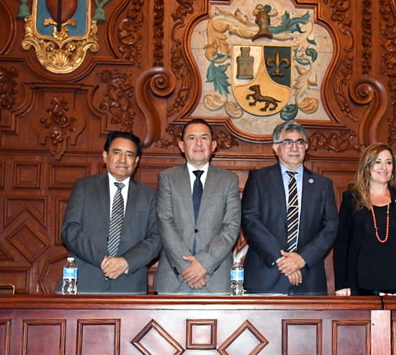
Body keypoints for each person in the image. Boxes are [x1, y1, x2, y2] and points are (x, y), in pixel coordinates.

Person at [242, 120, 338, 295]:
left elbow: (330, 227)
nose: (294, 147)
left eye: (300, 142)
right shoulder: (258, 179)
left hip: (309, 279)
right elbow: (250, 220)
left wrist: (301, 259)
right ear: (275, 147)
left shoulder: (323, 185)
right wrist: (282, 260)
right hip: (266, 276)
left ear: (306, 146)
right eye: (287, 142)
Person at [60, 131, 161, 294]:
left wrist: (125, 262)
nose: (122, 159)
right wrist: (103, 260)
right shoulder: (84, 187)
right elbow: (70, 230)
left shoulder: (149, 195)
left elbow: (155, 239)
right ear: (105, 156)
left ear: (136, 161)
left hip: (129, 285)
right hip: (85, 281)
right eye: (117, 152)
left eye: (129, 154)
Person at [155, 118, 241, 294]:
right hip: (174, 277)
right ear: (181, 145)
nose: (198, 143)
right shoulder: (167, 178)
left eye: (204, 138)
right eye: (192, 138)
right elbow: (165, 222)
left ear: (213, 145)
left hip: (215, 278)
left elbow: (231, 227)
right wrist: (188, 268)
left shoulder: (228, 180)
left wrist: (203, 263)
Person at [333, 143, 396, 296]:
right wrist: (342, 284)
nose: (384, 167)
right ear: (367, 166)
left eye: (388, 162)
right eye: (378, 161)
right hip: (361, 285)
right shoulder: (351, 199)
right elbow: (342, 244)